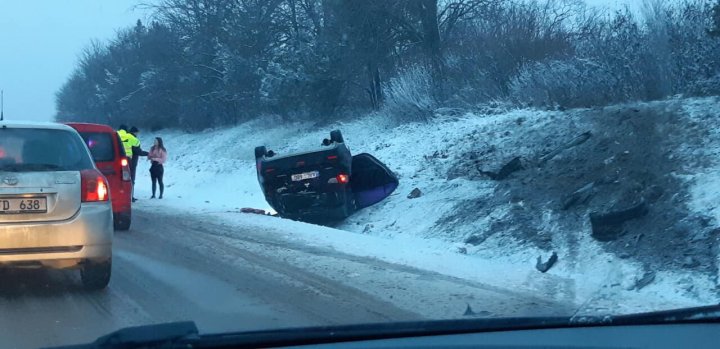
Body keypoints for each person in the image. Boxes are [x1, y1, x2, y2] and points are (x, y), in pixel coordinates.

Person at [128, 126, 148, 202]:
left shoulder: (123, 138)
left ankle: (125, 195)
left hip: (123, 161)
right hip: (132, 162)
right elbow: (138, 152)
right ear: (135, 132)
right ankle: (131, 196)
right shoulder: (133, 140)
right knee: (132, 180)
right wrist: (148, 154)